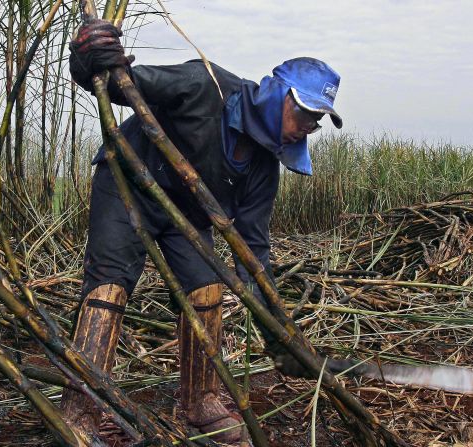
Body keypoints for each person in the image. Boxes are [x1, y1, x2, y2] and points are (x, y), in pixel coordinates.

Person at [61, 18, 343, 445]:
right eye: (303, 111)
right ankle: (80, 408)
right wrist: (89, 57)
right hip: (128, 186)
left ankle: (199, 400)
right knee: (109, 288)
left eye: (316, 120)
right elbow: (120, 84)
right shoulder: (202, 84)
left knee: (206, 288)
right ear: (276, 94)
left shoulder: (264, 168)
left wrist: (279, 335)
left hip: (186, 214)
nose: (308, 125)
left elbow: (252, 252)